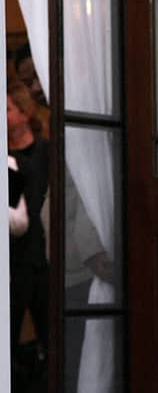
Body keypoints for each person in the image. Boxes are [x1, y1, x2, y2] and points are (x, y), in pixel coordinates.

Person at [7, 81, 50, 392]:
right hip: (15, 261)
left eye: (7, 109)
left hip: (49, 258)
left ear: (23, 112)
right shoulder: (6, 160)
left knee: (52, 335)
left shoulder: (49, 151)